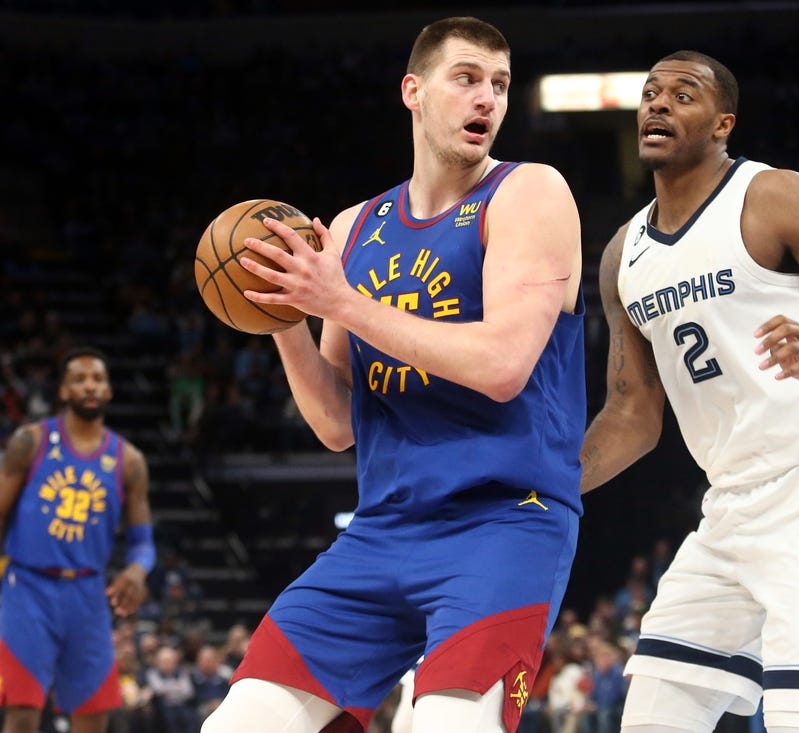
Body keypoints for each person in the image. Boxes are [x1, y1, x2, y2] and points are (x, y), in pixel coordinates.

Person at [200, 15, 585, 733]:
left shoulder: (528, 193)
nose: (488, 100)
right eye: (467, 78)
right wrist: (285, 315)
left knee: (444, 725)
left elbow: (503, 365)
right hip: (382, 529)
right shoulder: (353, 228)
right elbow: (337, 423)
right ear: (413, 90)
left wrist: (339, 299)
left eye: (500, 85)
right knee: (236, 724)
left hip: (504, 522)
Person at [579, 50, 799, 733]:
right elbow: (631, 415)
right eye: (650, 92)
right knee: (652, 717)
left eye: (683, 95)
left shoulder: (773, 196)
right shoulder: (623, 254)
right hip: (730, 511)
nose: (657, 104)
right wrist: (551, 483)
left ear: (722, 123)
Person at [0, 345, 155, 733]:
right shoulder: (29, 442)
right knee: (22, 711)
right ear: (64, 391)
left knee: (93, 715)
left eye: (98, 379)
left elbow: (142, 541)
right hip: (27, 588)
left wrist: (137, 571)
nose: (90, 385)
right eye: (80, 379)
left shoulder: (129, 460)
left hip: (87, 594)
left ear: (108, 391)